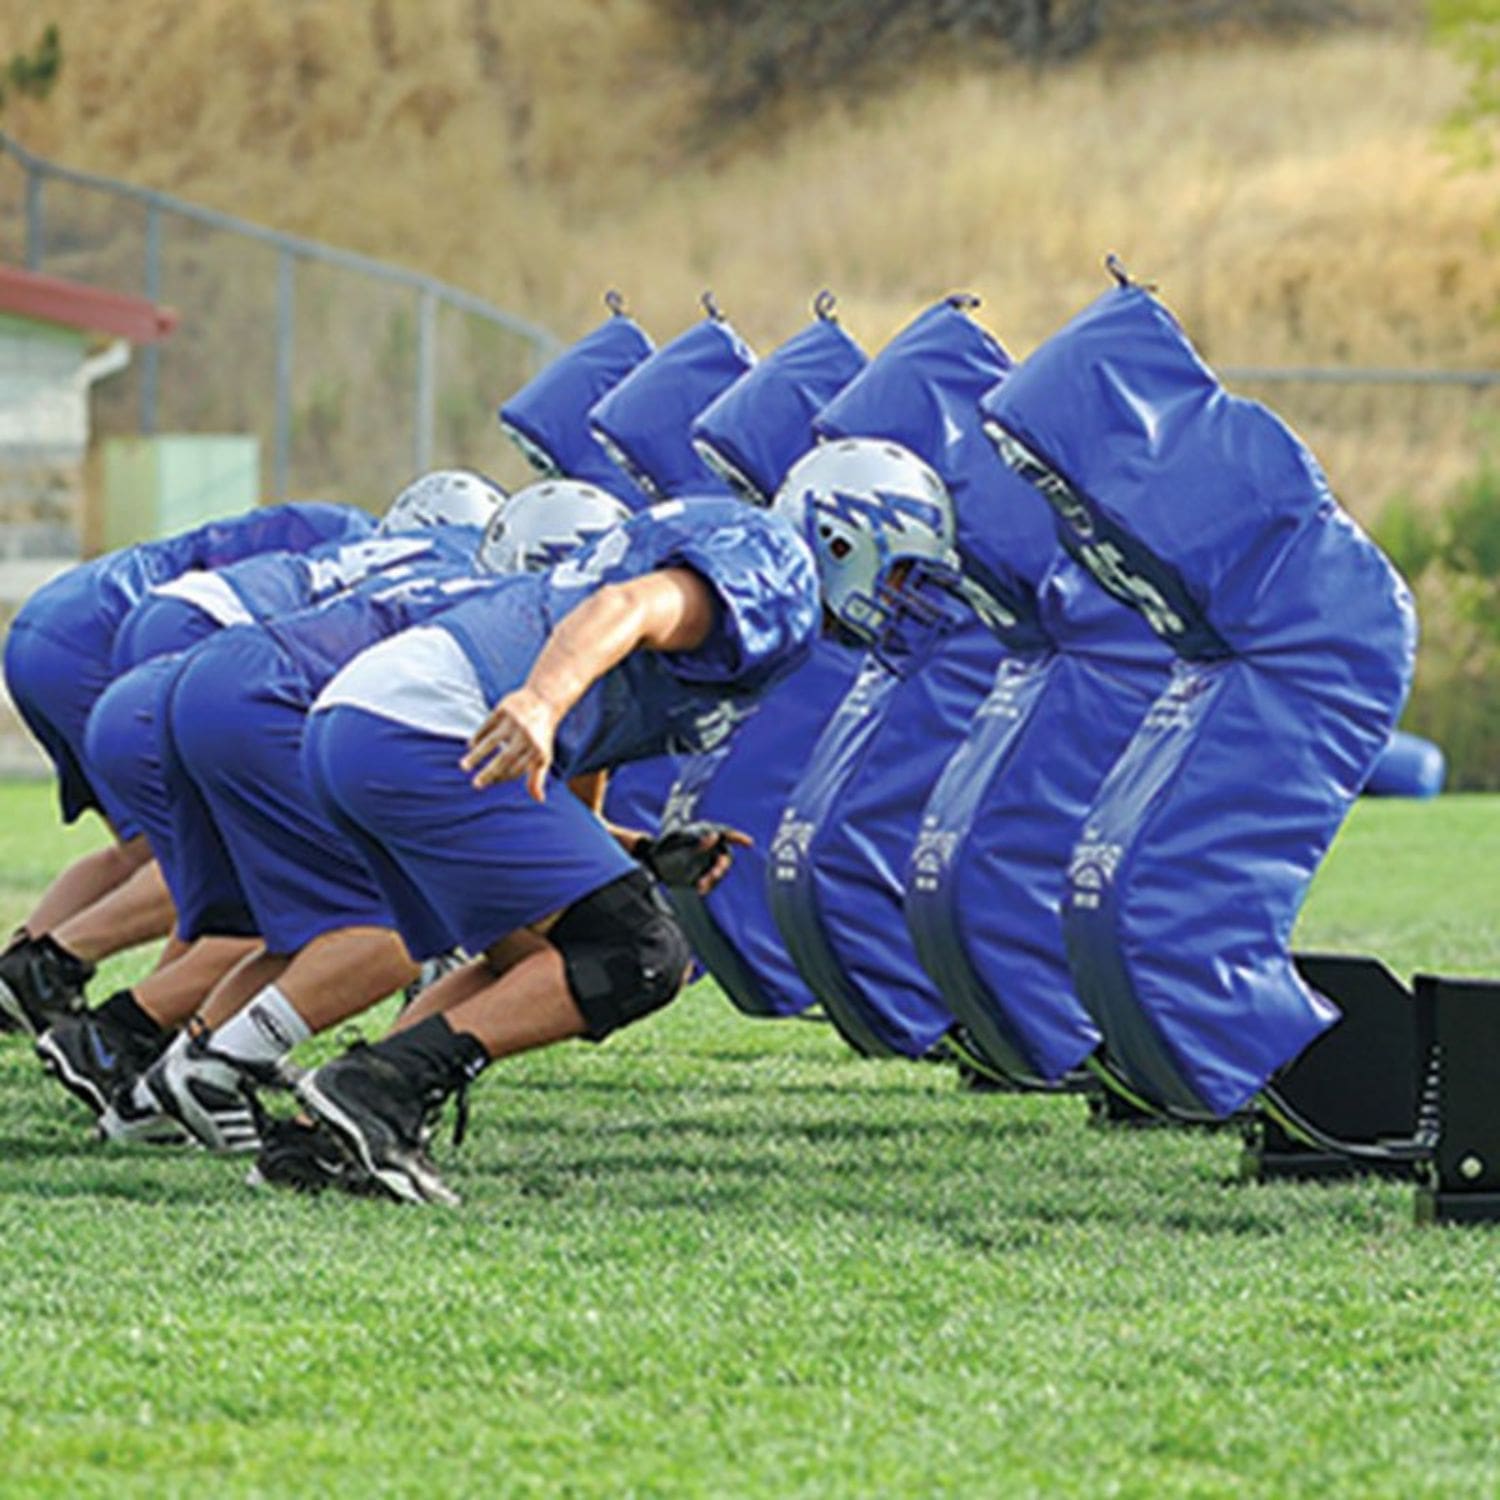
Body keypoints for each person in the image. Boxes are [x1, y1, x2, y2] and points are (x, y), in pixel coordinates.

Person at [39, 482, 628, 1160]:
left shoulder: (434, 572)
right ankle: (205, 1064)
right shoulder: (517, 618)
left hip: (181, 689)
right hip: (270, 701)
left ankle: (144, 1078)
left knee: (283, 926)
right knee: (382, 931)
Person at [292, 495, 829, 1204]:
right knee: (639, 955)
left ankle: (316, 1141)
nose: (909, 597)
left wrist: (632, 853)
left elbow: (582, 757)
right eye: (903, 574)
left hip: (365, 722)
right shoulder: (774, 568)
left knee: (537, 956)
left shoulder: (705, 558)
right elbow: (628, 606)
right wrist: (542, 701)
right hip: (440, 726)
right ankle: (376, 1089)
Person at [0, 501, 376, 1035]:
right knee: (219, 860)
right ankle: (108, 998)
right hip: (114, 639)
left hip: (58, 620)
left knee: (144, 852)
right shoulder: (371, 553)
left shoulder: (347, 530)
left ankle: (22, 974)